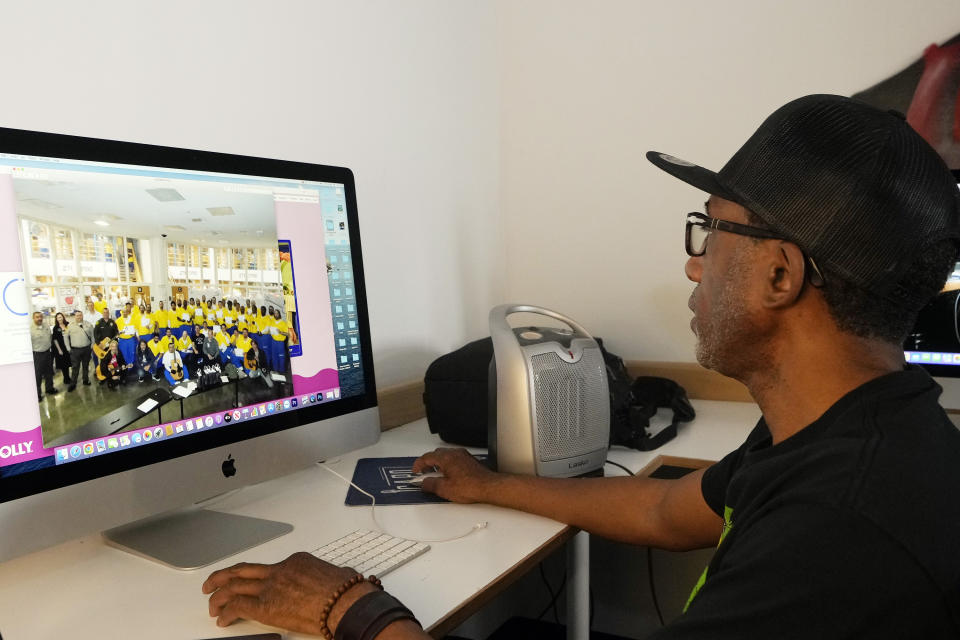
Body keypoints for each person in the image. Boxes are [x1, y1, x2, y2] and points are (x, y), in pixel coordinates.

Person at [203, 96, 960, 637]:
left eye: (712, 233)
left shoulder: (841, 537)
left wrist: (350, 609)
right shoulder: (851, 426)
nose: (695, 269)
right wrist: (492, 485)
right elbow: (667, 510)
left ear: (779, 276)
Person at [65, 310, 94, 391]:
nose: (79, 317)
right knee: (75, 368)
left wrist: (92, 345)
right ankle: (73, 384)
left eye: (80, 315)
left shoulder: (88, 324)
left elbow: (92, 335)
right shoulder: (70, 325)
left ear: (82, 316)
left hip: (86, 349)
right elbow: (65, 337)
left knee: (86, 366)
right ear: (75, 316)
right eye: (77, 315)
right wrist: (68, 348)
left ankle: (85, 380)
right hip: (75, 350)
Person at [30, 311, 56, 401]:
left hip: (47, 353)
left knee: (49, 372)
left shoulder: (46, 326)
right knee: (38, 375)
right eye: (37, 317)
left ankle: (49, 388)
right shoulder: (30, 329)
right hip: (37, 355)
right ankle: (37, 394)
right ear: (33, 318)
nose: (39, 318)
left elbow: (49, 337)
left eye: (40, 317)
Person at [50, 312, 72, 386]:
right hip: (61, 348)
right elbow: (55, 340)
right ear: (56, 319)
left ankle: (68, 377)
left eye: (61, 317)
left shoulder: (68, 324)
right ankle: (66, 378)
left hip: (68, 347)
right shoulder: (56, 328)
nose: (60, 318)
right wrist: (59, 349)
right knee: (63, 364)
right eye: (58, 317)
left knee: (68, 362)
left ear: (63, 317)